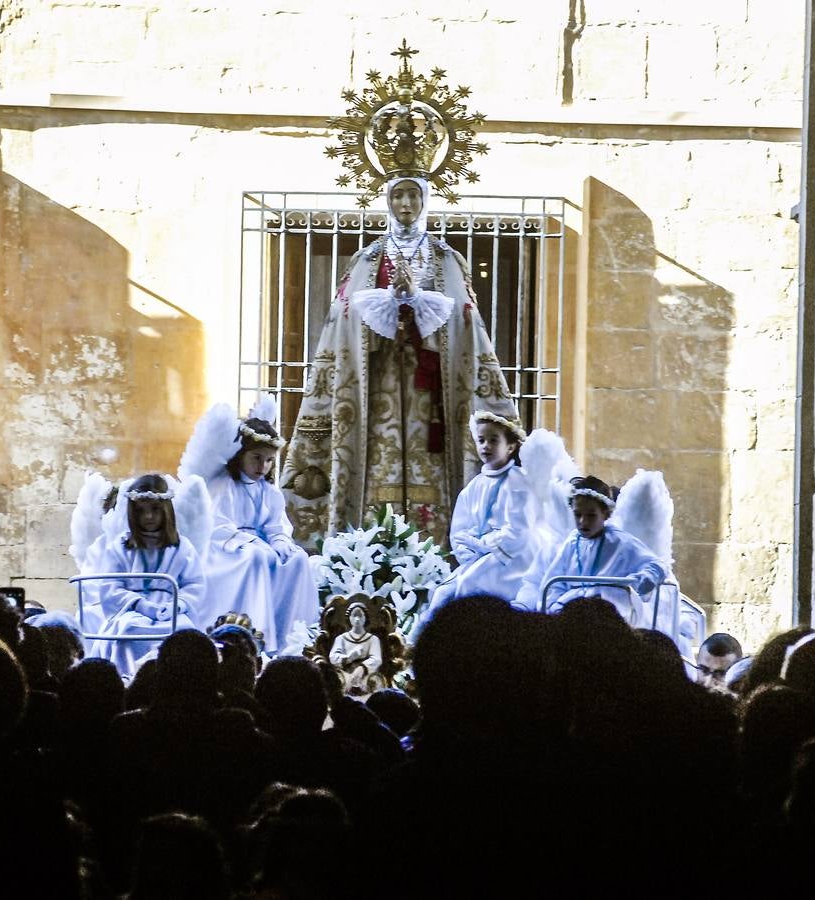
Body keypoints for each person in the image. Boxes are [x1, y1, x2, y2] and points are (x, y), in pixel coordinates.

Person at [279, 175, 519, 548]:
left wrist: (420, 309)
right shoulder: (365, 260)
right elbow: (342, 325)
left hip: (432, 403)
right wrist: (385, 312)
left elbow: (465, 327)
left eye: (412, 195)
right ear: (386, 201)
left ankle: (443, 552)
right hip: (375, 394)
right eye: (397, 195)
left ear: (425, 200)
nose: (405, 204)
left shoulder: (447, 260)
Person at [202, 417, 318, 656]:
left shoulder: (269, 492)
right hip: (228, 552)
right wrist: (255, 543)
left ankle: (292, 635)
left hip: (259, 547)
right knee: (257, 558)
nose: (262, 466)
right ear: (241, 455)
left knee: (297, 559)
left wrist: (281, 542)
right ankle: (258, 634)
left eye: (268, 460)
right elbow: (220, 528)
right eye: (256, 458)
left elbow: (276, 526)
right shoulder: (226, 487)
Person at [416, 411, 533, 630]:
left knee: (469, 586)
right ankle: (420, 646)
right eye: (481, 440)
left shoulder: (518, 482)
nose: (485, 446)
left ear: (510, 447)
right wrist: (468, 552)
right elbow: (460, 530)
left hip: (510, 561)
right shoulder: (475, 486)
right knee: (442, 592)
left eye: (493, 440)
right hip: (478, 560)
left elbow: (518, 531)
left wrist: (482, 545)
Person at [84, 473, 206, 675]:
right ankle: (129, 679)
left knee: (182, 635)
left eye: (155, 510)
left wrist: (177, 604)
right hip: (131, 611)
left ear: (166, 510)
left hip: (171, 612)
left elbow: (194, 584)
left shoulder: (182, 547)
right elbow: (110, 587)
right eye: (141, 511)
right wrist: (140, 605)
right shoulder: (121, 547)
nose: (148, 517)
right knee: (128, 632)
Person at [539, 475, 667, 624]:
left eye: (591, 515)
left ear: (605, 514)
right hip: (573, 613)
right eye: (577, 514)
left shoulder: (620, 542)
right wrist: (554, 609)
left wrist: (638, 581)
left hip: (609, 614)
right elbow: (554, 583)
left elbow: (657, 566)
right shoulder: (572, 543)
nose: (582, 521)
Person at [328, 601, 384, 695]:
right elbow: (333, 656)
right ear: (349, 618)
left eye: (360, 616)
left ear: (366, 618)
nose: (357, 619)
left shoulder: (373, 639)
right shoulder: (341, 638)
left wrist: (362, 668)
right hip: (345, 673)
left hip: (366, 676)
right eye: (354, 615)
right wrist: (349, 657)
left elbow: (376, 659)